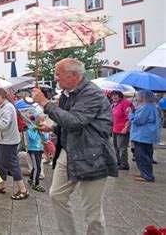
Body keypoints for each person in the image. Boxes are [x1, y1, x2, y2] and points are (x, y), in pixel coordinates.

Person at [32, 58, 117, 234]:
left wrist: (45, 103)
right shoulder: (67, 94)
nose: (56, 78)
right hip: (69, 151)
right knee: (57, 195)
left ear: (74, 75)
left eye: (58, 74)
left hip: (92, 156)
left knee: (92, 212)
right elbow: (72, 121)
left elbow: (76, 121)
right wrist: (54, 127)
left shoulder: (92, 93)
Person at [0, 88, 29, 200]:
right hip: (3, 140)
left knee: (12, 165)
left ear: (2, 96)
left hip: (9, 142)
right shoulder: (3, 107)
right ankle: (1, 186)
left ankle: (23, 190)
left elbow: (3, 125)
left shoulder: (8, 107)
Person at [128, 90, 160, 183]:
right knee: (147, 156)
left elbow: (138, 120)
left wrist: (130, 113)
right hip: (147, 136)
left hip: (142, 136)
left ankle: (147, 175)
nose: (137, 98)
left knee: (142, 156)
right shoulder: (152, 106)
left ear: (143, 97)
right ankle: (144, 173)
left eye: (139, 96)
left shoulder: (145, 107)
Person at [111, 91, 134, 170]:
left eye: (116, 95)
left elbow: (129, 117)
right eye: (112, 95)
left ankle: (124, 164)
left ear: (120, 95)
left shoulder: (126, 103)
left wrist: (126, 127)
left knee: (122, 147)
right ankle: (118, 161)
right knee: (115, 146)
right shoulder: (114, 104)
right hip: (115, 128)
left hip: (122, 129)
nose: (114, 97)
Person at [26, 113, 49, 192]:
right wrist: (37, 130)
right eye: (40, 120)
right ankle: (35, 184)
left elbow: (46, 139)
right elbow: (32, 137)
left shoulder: (42, 128)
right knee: (37, 168)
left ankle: (31, 179)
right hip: (33, 150)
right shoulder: (31, 128)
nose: (42, 122)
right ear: (36, 119)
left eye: (43, 120)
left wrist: (44, 133)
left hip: (40, 149)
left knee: (36, 166)